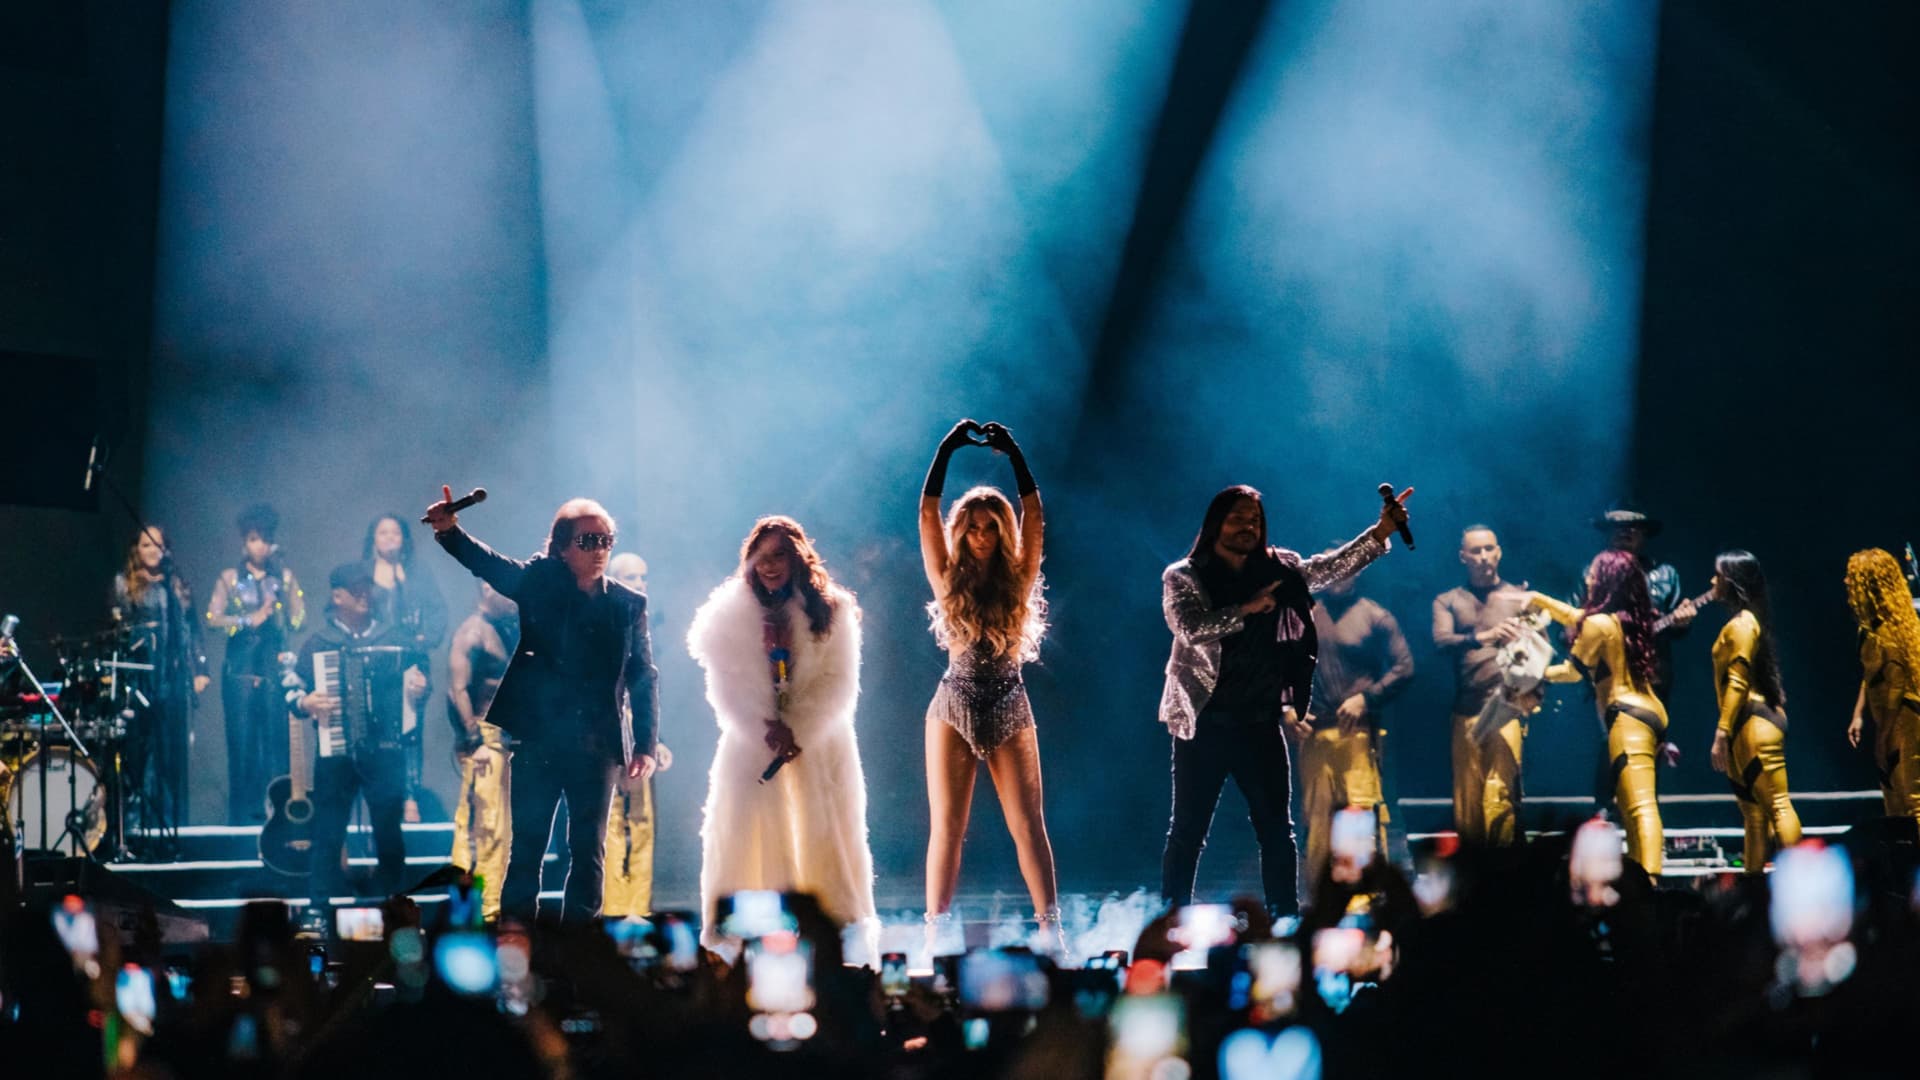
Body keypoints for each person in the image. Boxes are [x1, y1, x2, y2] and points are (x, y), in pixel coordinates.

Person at [1158, 483, 1410, 917]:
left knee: (1277, 831)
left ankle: (1285, 920)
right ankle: (1171, 921)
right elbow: (1190, 628)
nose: (1248, 527)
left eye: (1254, 520)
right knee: (1187, 832)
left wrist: (1381, 532)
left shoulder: (1280, 567)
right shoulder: (1184, 575)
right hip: (1204, 722)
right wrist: (1247, 609)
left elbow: (1328, 569)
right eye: (1238, 518)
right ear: (1216, 523)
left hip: (1259, 722)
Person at [426, 492, 659, 923]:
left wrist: (644, 743)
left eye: (606, 540)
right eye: (588, 541)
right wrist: (449, 532)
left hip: (597, 745)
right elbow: (491, 566)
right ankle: (518, 939)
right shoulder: (540, 583)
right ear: (562, 547)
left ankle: (578, 943)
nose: (600, 550)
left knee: (588, 849)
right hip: (540, 741)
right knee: (527, 847)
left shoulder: (628, 604)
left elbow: (642, 674)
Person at [689, 517, 876, 953]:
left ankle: (833, 928)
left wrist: (798, 730)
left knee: (825, 831)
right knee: (746, 832)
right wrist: (764, 727)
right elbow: (725, 681)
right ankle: (740, 934)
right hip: (751, 741)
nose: (770, 566)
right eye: (762, 557)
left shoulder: (833, 610)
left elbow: (839, 680)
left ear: (797, 559)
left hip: (820, 740)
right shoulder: (728, 615)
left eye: (779, 556)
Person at [918, 420, 1059, 949]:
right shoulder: (945, 576)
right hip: (953, 701)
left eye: (990, 527)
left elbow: (1035, 516)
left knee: (1028, 825)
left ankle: (1051, 932)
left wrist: (1015, 453)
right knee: (947, 828)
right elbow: (927, 515)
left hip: (1008, 701)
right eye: (973, 526)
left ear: (1002, 531)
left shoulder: (1019, 578)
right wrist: (946, 449)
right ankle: (934, 936)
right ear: (962, 531)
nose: (980, 535)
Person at [283, 563, 427, 918]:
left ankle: (395, 906)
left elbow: (420, 676)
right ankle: (318, 908)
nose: (365, 595)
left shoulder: (395, 638)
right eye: (356, 589)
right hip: (337, 753)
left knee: (388, 832)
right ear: (338, 596)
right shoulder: (319, 643)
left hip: (385, 752)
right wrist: (306, 702)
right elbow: (290, 689)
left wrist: (420, 686)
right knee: (328, 832)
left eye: (367, 588)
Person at [1529, 550, 1670, 873]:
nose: (1589, 578)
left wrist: (1532, 674)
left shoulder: (1600, 624)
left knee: (1640, 807)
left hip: (1627, 717)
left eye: (1595, 573)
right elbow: (1576, 616)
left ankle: (1649, 879)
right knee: (1632, 805)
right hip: (1649, 712)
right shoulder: (1629, 619)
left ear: (1607, 579)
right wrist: (1538, 599)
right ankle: (1641, 874)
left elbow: (1572, 672)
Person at [1299, 573, 1412, 893]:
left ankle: (1360, 898)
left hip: (1358, 734)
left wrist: (1367, 698)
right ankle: (1320, 898)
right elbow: (1277, 664)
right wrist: (1287, 707)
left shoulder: (1374, 615)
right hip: (1314, 735)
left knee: (1356, 815)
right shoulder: (1304, 616)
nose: (1339, 577)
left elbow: (1404, 666)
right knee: (1317, 820)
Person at [1430, 525, 1535, 845]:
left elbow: (1542, 654)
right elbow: (1441, 640)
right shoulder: (1449, 600)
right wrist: (1486, 636)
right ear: (1463, 556)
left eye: (1489, 549)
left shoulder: (1520, 597)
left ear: (1499, 552)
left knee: (1500, 795)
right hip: (1466, 710)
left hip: (1505, 709)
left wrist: (1534, 697)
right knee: (1468, 801)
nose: (1483, 556)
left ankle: (1503, 867)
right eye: (1475, 551)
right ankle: (1473, 869)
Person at [108, 526, 211, 840]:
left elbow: (191, 628)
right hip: (139, 677)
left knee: (170, 753)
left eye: (158, 544)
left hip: (172, 678)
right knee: (139, 751)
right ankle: (135, 824)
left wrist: (199, 669)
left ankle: (170, 822)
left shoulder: (176, 585)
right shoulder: (124, 584)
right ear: (136, 549)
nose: (153, 550)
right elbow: (118, 632)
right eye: (146, 544)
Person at [206, 504, 305, 823]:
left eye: (265, 539)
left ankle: (279, 815)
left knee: (277, 743)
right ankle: (241, 817)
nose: (259, 546)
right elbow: (213, 620)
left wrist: (290, 599)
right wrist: (249, 619)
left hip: (274, 670)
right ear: (243, 543)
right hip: (240, 672)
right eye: (253, 539)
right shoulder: (229, 578)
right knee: (243, 745)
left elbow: (299, 621)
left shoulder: (283, 577)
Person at [1704, 551, 1801, 873]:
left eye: (1718, 575)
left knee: (1777, 805)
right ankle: (1754, 885)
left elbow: (1738, 679)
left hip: (1752, 722)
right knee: (1754, 815)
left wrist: (1722, 731)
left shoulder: (1743, 624)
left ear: (1732, 582)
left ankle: (1801, 878)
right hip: (1746, 724)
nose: (1712, 581)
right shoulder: (1743, 622)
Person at [362, 513, 449, 822]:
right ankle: (376, 799)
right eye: (382, 532)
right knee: (372, 731)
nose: (389, 538)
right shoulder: (363, 573)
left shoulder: (416, 573)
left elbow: (438, 611)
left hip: (410, 661)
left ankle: (410, 797)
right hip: (371, 664)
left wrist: (425, 639)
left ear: (404, 540)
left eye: (395, 533)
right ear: (373, 539)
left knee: (409, 728)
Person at [603, 551, 669, 918]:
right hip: (607, 731)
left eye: (643, 577)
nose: (640, 584)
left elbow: (645, 689)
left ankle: (638, 906)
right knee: (611, 818)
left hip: (636, 731)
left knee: (642, 820)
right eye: (631, 577)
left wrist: (654, 740)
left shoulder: (640, 623)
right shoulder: (603, 621)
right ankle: (614, 905)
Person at [447, 580, 518, 920]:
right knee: (482, 827)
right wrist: (473, 739)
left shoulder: (506, 630)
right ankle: (478, 911)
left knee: (498, 828)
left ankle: (490, 906)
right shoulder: (472, 633)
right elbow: (457, 689)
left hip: (505, 739)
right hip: (484, 740)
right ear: (487, 589)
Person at [1844, 548, 1920, 824]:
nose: (1846, 582)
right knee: (1894, 794)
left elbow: (1896, 684)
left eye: (1853, 578)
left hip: (1905, 719)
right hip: (1891, 720)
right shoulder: (1871, 629)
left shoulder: (1889, 632)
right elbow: (1872, 675)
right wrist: (1858, 714)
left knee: (1913, 798)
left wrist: (1884, 735)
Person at [1591, 504, 1696, 701]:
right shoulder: (1590, 574)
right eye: (1618, 526)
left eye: (1633, 527)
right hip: (1604, 675)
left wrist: (1682, 623)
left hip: (1651, 674)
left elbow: (1677, 628)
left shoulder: (1665, 574)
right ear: (1608, 533)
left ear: (1644, 533)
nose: (1625, 532)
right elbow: (1569, 626)